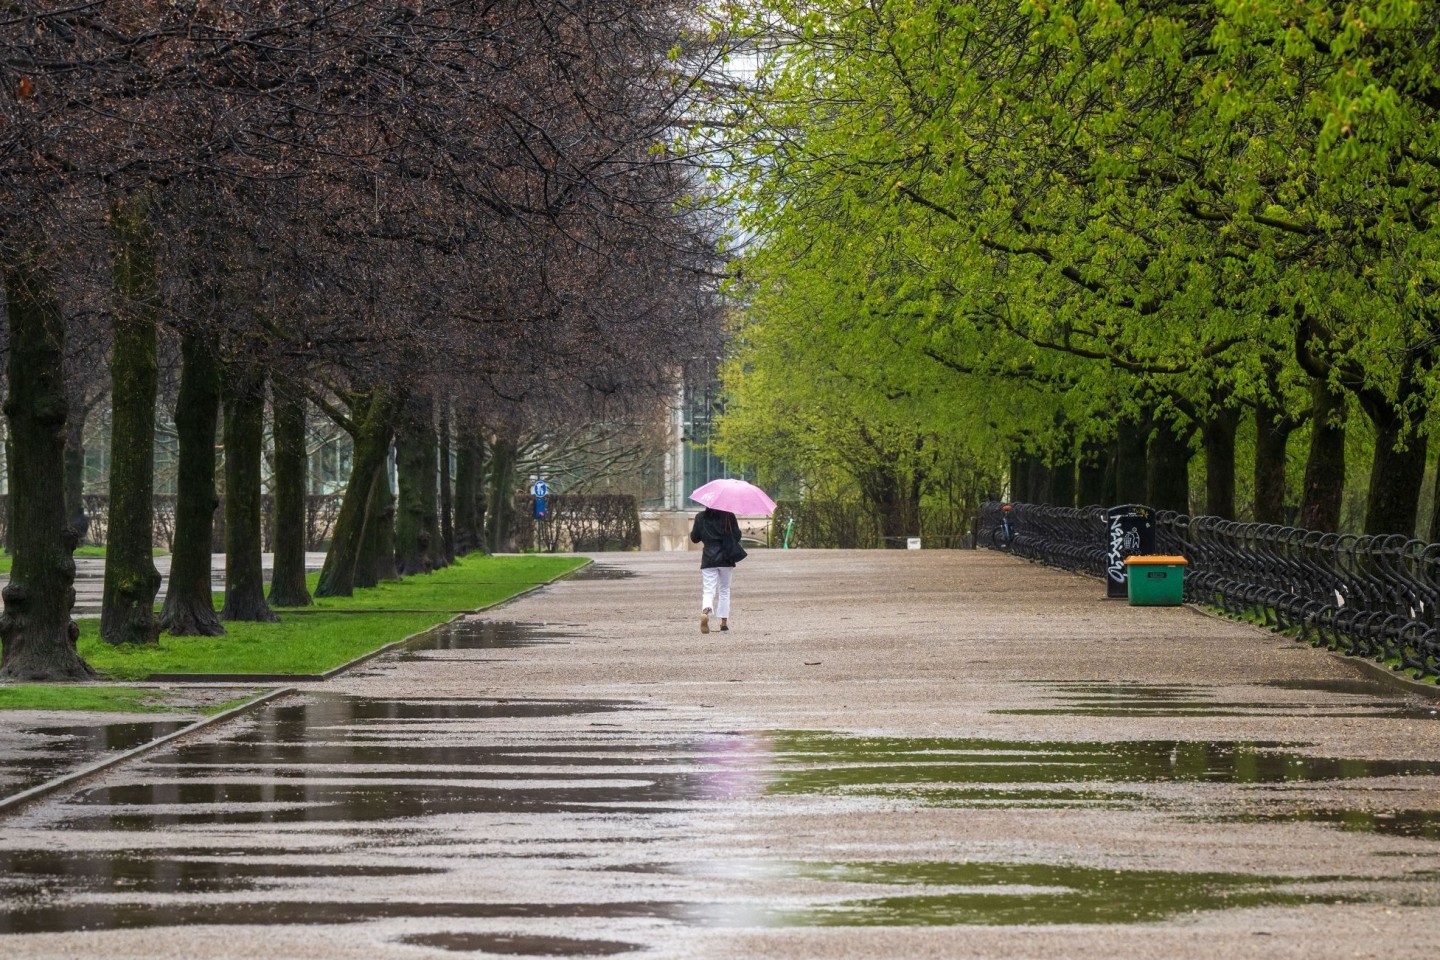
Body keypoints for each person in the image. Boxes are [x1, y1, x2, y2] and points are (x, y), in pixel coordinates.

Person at [689, 506, 742, 633]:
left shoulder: (700, 517)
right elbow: (737, 536)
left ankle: (706, 612)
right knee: (724, 589)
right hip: (726, 557)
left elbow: (694, 538)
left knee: (708, 589)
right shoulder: (729, 516)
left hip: (708, 557)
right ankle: (723, 622)